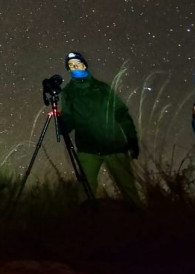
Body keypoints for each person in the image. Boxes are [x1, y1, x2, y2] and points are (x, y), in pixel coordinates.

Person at [58, 51, 142, 205]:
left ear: (84, 65)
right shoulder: (68, 93)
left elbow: (122, 114)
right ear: (69, 70)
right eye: (70, 65)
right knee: (85, 194)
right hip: (87, 150)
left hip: (114, 147)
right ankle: (88, 225)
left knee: (129, 191)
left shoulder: (103, 88)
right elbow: (69, 118)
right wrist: (62, 124)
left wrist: (132, 139)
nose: (74, 66)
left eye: (77, 63)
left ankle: (140, 222)